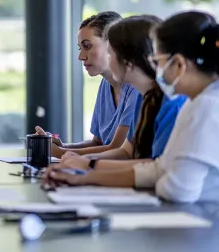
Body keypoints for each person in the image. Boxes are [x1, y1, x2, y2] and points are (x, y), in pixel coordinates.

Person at [45, 11, 219, 203]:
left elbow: (173, 188)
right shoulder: (192, 104)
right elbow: (158, 169)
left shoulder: (200, 107)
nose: (156, 68)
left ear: (178, 64)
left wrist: (87, 168)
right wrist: (83, 175)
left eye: (158, 61)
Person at [58, 15, 186, 171]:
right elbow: (127, 151)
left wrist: (88, 165)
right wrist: (79, 159)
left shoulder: (172, 103)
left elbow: (156, 168)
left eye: (110, 54)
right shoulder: (144, 96)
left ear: (128, 61)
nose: (108, 59)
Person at [36, 11, 142, 158]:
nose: (81, 56)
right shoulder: (105, 84)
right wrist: (63, 147)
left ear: (113, 45)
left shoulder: (136, 87)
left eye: (87, 46)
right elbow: (98, 143)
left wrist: (61, 153)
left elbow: (117, 148)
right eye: (80, 48)